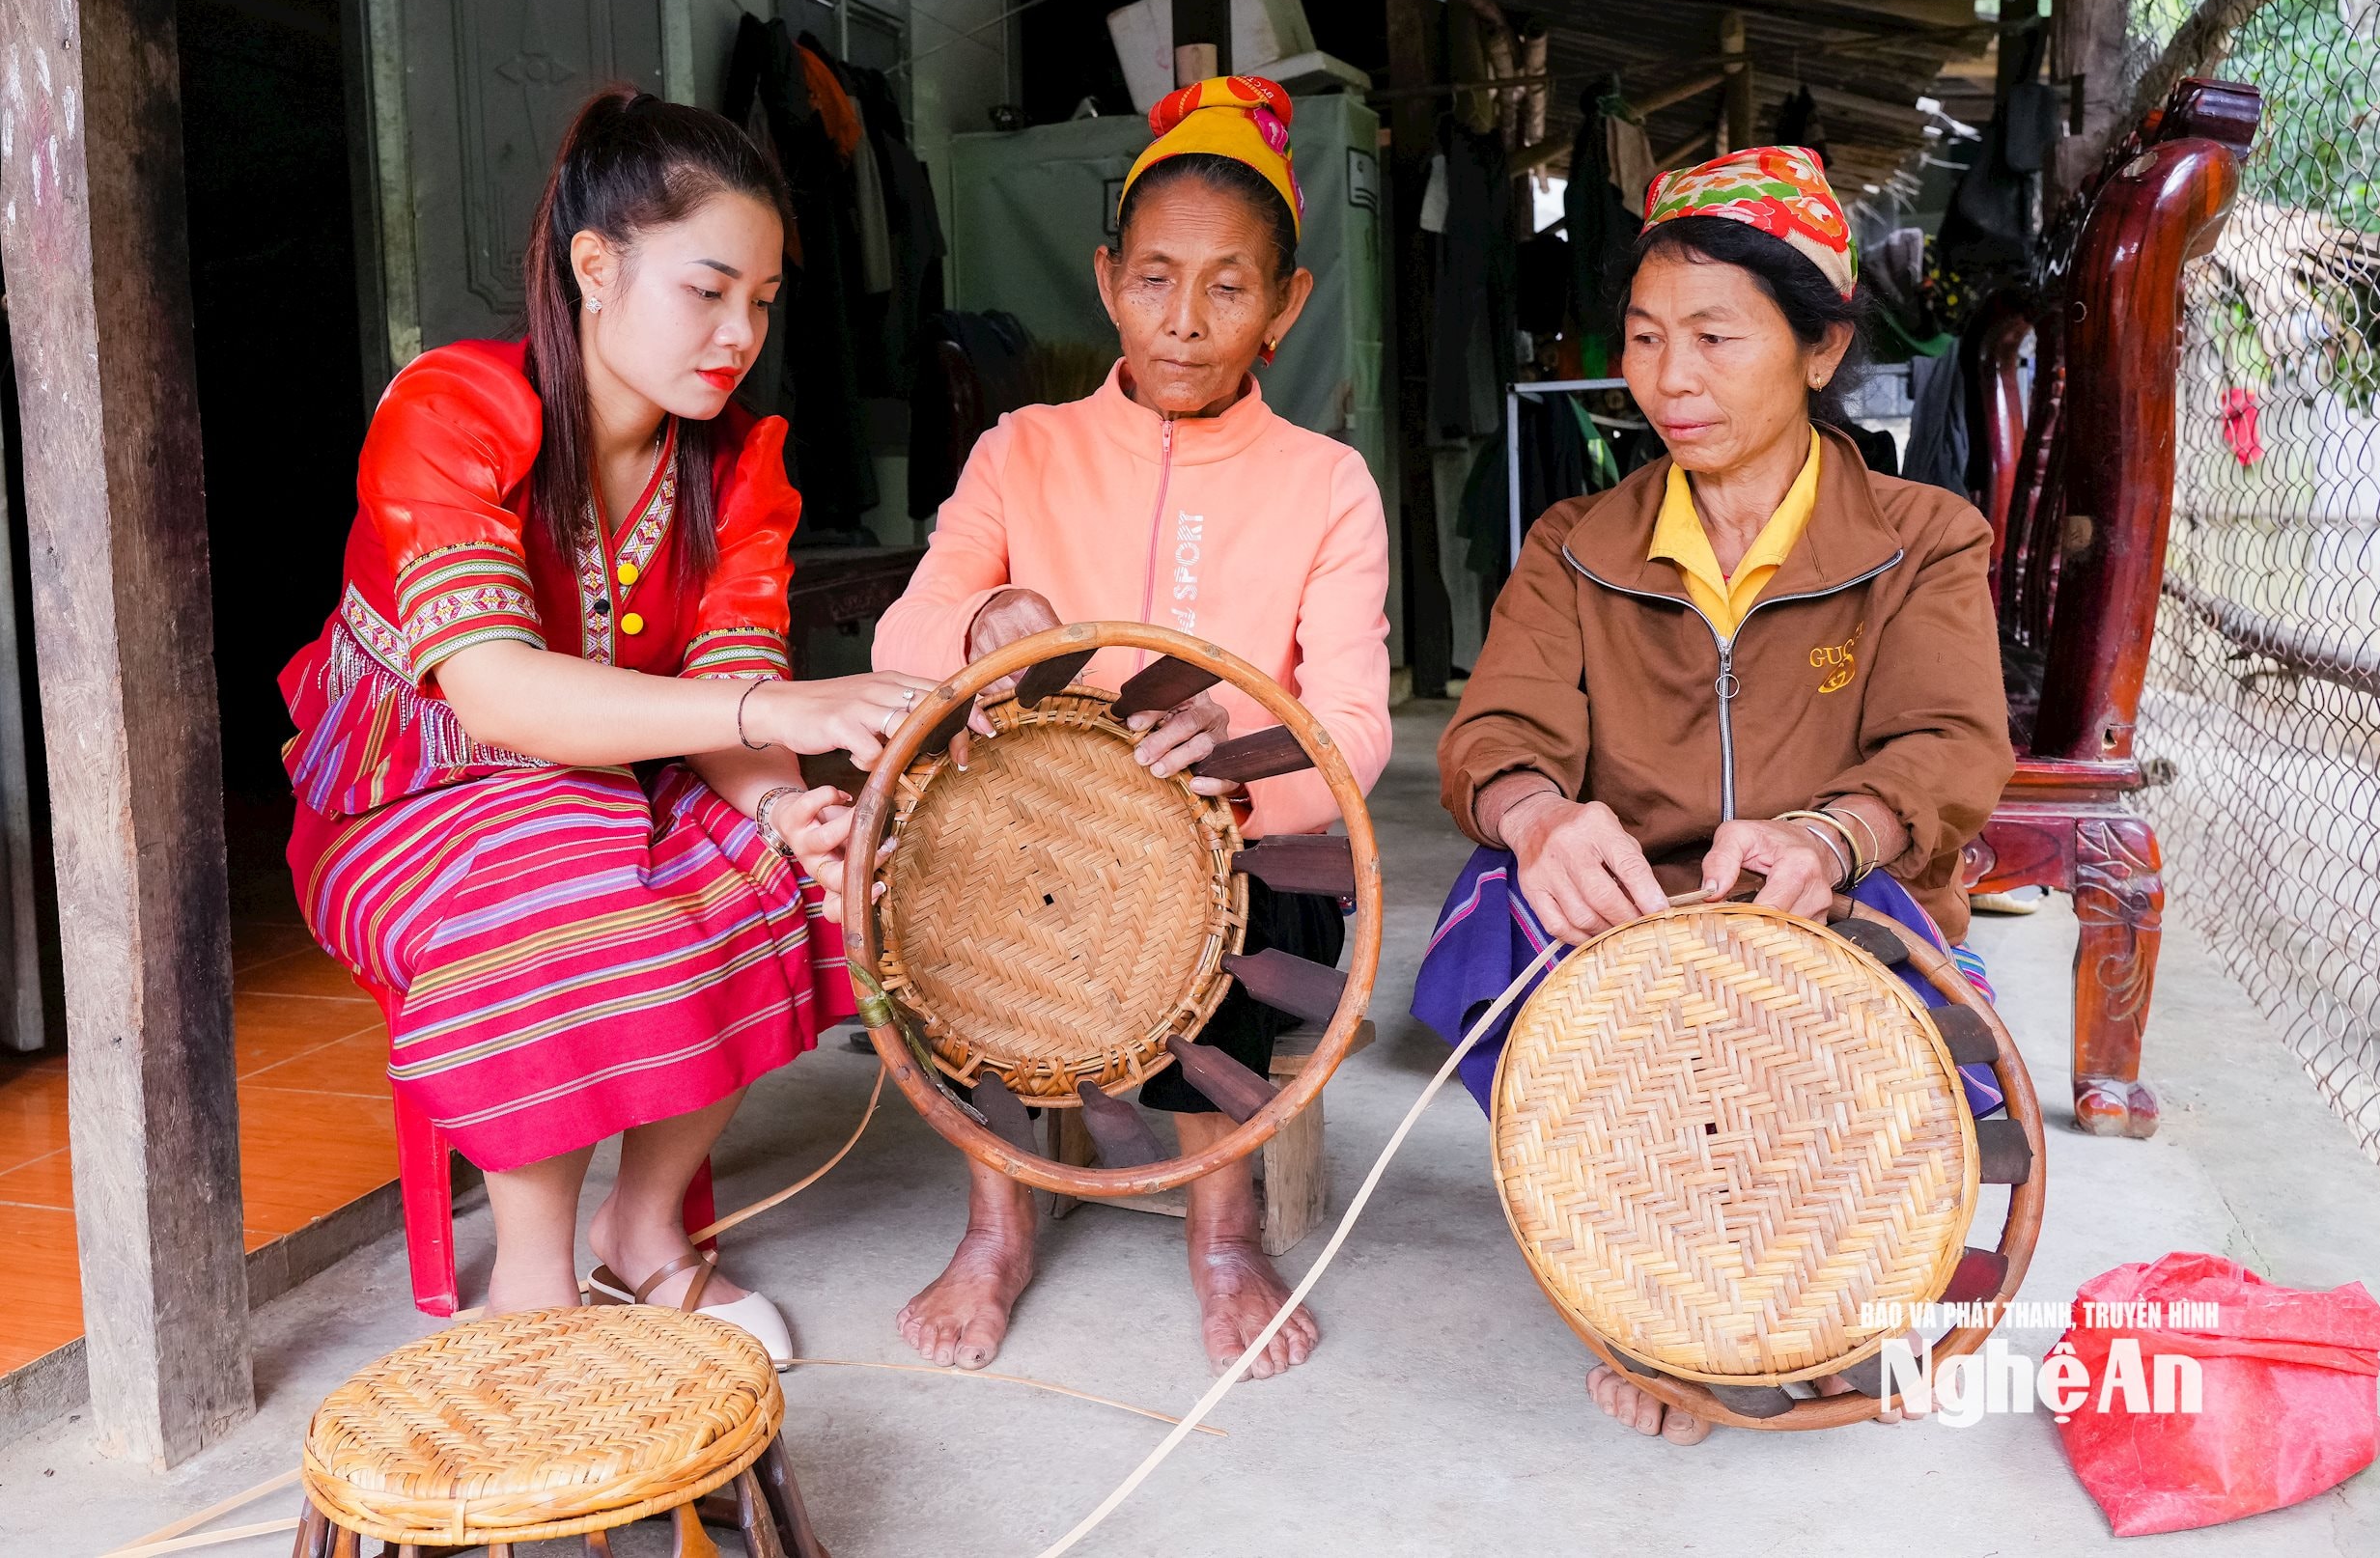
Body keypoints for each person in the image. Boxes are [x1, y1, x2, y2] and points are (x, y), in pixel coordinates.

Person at [281, 88, 949, 1353]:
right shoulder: (453, 410)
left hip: (615, 784)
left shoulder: (742, 467)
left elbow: (732, 708)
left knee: (802, 870)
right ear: (597, 266)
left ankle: (642, 1232)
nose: (740, 331)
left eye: (760, 299)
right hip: (401, 798)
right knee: (564, 859)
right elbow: (494, 693)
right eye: (708, 290)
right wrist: (779, 704)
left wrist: (788, 806)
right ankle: (528, 1280)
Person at [1414, 146, 2015, 1442]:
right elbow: (1497, 728)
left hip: (1829, 916)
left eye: (1713, 335)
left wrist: (1834, 835)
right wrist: (1536, 816)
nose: (1668, 378)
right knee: (1494, 901)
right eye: (1642, 337)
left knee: (1872, 1074)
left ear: (1819, 349)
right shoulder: (1577, 546)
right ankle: (1655, 1297)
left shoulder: (1923, 538)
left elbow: (1950, 743)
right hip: (1633, 931)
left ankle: (1815, 1293)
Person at [873, 75, 1392, 1382]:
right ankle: (996, 1224)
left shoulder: (1326, 485)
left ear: (1288, 307)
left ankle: (1223, 1233)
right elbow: (901, 645)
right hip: (1035, 832)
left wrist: (1227, 756)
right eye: (1156, 276)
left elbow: (1352, 725)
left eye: (1229, 285)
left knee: (1258, 909)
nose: (1184, 319)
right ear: (1107, 281)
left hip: (1235, 839)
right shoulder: (1022, 450)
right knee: (944, 882)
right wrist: (988, 622)